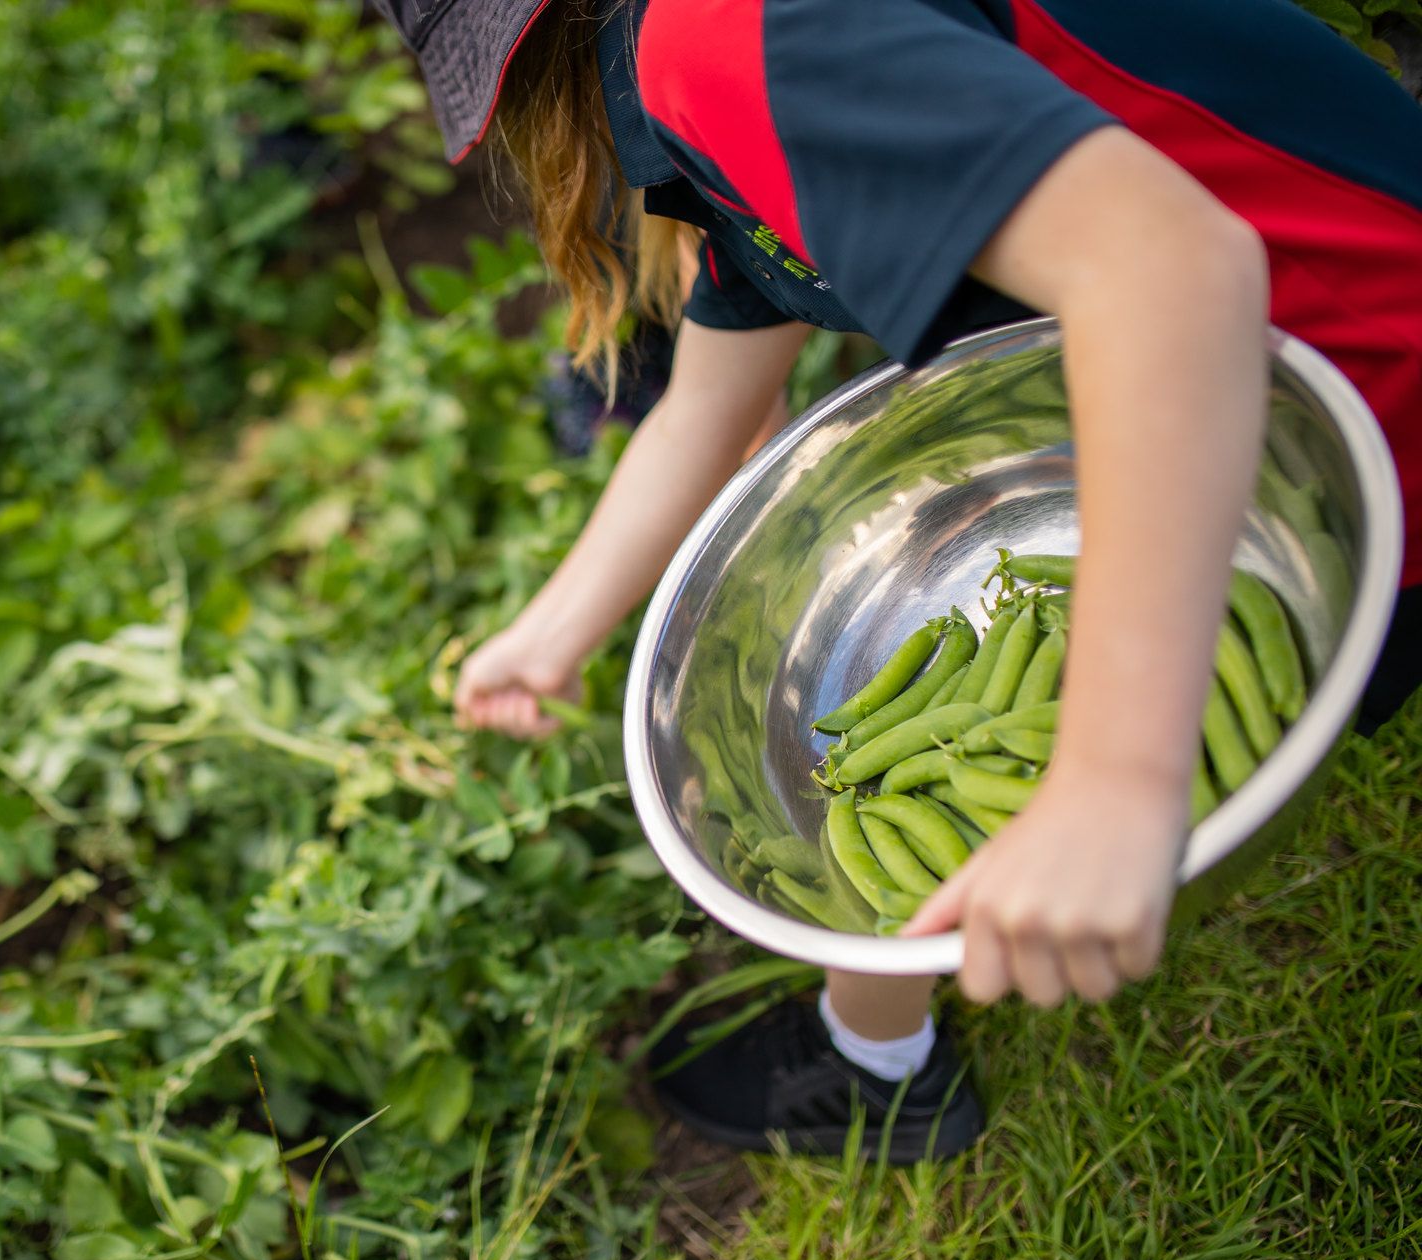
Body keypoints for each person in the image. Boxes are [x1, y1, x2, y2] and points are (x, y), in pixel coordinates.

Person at [371, 0, 1422, 1161]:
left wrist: (1110, 779)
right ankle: (871, 1052)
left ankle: (873, 1069)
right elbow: (714, 408)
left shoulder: (717, 38)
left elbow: (1171, 267)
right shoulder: (730, 56)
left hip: (1358, 412)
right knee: (881, 783)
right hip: (1292, 363)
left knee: (902, 793)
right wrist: (550, 631)